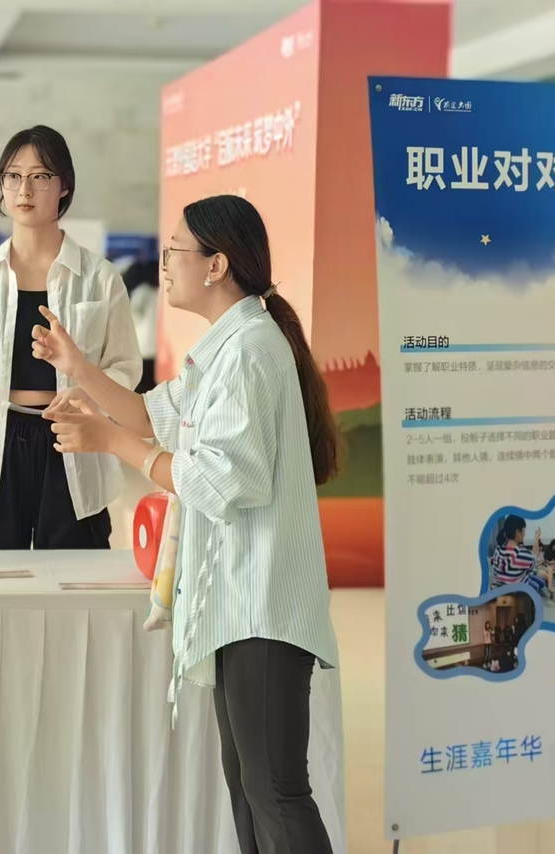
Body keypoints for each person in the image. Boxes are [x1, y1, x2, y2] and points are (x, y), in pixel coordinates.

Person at [32, 194, 339, 853]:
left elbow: (222, 481)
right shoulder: (228, 345)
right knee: (249, 786)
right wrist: (78, 367)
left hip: (261, 604)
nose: (164, 263)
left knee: (274, 791)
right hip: (238, 601)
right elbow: (153, 416)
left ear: (216, 264)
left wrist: (111, 444)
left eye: (174, 250)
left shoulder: (250, 351)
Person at [0, 125, 141, 550]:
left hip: (74, 434)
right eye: (13, 176)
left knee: (74, 572)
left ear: (64, 186)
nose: (24, 189)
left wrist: (88, 393)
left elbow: (125, 366)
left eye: (40, 176)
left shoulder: (99, 277)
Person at [489, 515, 552, 599]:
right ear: (517, 532)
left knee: (538, 581)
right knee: (537, 584)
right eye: (523, 530)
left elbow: (494, 565)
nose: (524, 533)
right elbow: (535, 557)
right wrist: (536, 537)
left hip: (501, 588)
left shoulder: (498, 550)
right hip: (518, 592)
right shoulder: (521, 555)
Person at [124, 259, 160, 393]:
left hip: (143, 348)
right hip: (152, 348)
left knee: (141, 388)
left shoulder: (143, 291)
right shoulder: (152, 292)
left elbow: (132, 316)